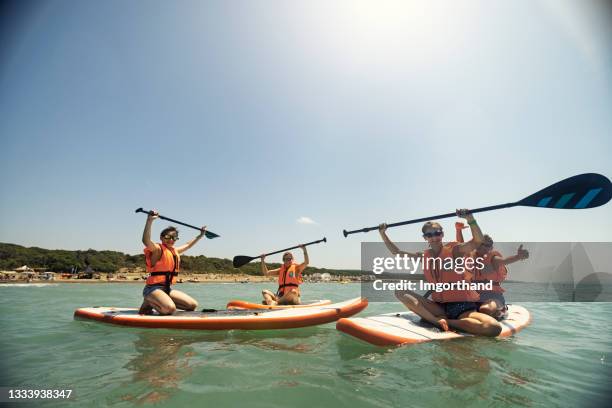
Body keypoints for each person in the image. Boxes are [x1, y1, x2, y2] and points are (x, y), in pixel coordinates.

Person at [379, 209, 502, 337]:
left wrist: (470, 219)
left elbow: (477, 241)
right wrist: (382, 233)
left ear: (442, 234)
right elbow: (396, 252)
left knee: (493, 328)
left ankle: (447, 322)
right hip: (438, 308)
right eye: (429, 235)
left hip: (462, 307)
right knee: (400, 291)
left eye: (437, 233)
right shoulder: (424, 256)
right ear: (425, 238)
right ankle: (436, 321)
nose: (434, 237)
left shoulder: (455, 250)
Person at [138, 210, 206, 315]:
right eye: (167, 237)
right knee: (170, 309)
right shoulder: (157, 249)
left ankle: (162, 301)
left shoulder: (174, 251)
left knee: (192, 305)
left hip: (167, 289)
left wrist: (200, 236)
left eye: (174, 238)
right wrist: (149, 220)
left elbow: (188, 245)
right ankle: (148, 302)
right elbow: (146, 240)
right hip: (152, 289)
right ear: (161, 237)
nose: (171, 240)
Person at [467, 235, 529, 319]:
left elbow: (504, 261)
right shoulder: (470, 258)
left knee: (485, 309)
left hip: (492, 296)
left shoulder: (493, 258)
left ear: (491, 248)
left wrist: (518, 257)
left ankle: (501, 309)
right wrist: (458, 230)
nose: (483, 246)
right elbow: (458, 247)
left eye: (487, 245)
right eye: (480, 244)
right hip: (473, 295)